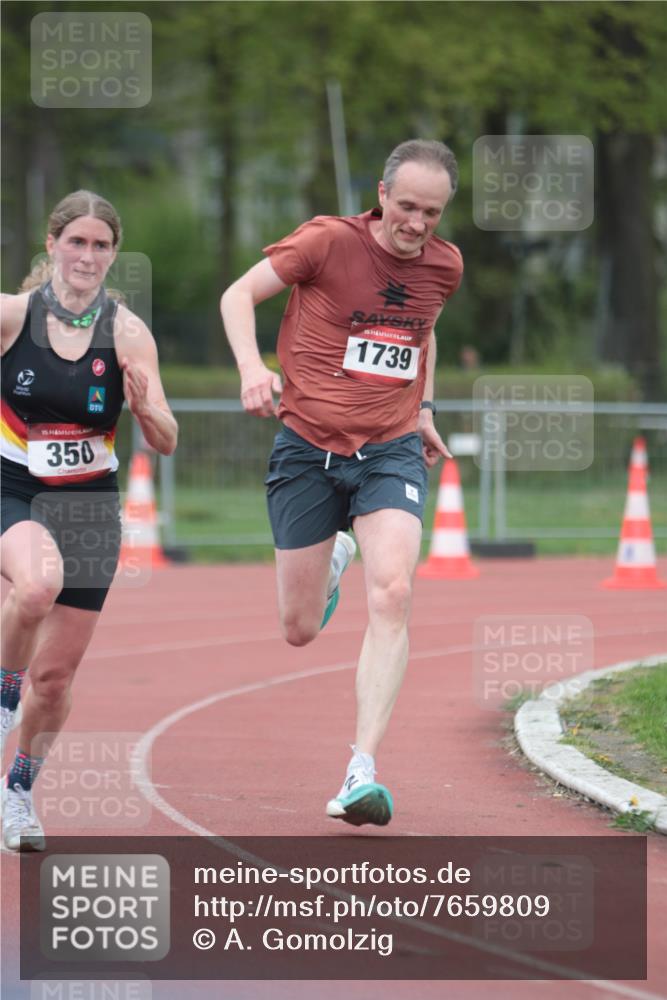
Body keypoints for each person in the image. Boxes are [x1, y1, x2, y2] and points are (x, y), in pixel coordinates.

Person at [221, 139, 463, 827]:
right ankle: (333, 557)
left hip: (389, 450)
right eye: (407, 206)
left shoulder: (445, 265)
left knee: (394, 591)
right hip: (306, 448)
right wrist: (251, 368)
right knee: (298, 629)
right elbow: (238, 295)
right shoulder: (326, 242)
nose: (417, 224)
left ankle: (361, 770)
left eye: (432, 212)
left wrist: (423, 410)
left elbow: (423, 332)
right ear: (381, 195)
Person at [0, 190, 178, 851]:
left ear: (113, 254)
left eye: (101, 245)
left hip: (89, 508)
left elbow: (167, 439)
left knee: (55, 680)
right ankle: (3, 698)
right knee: (36, 585)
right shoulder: (12, 317)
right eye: (76, 241)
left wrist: (147, 410)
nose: (87, 255)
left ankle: (18, 792)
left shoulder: (127, 333)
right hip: (14, 488)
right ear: (52, 245)